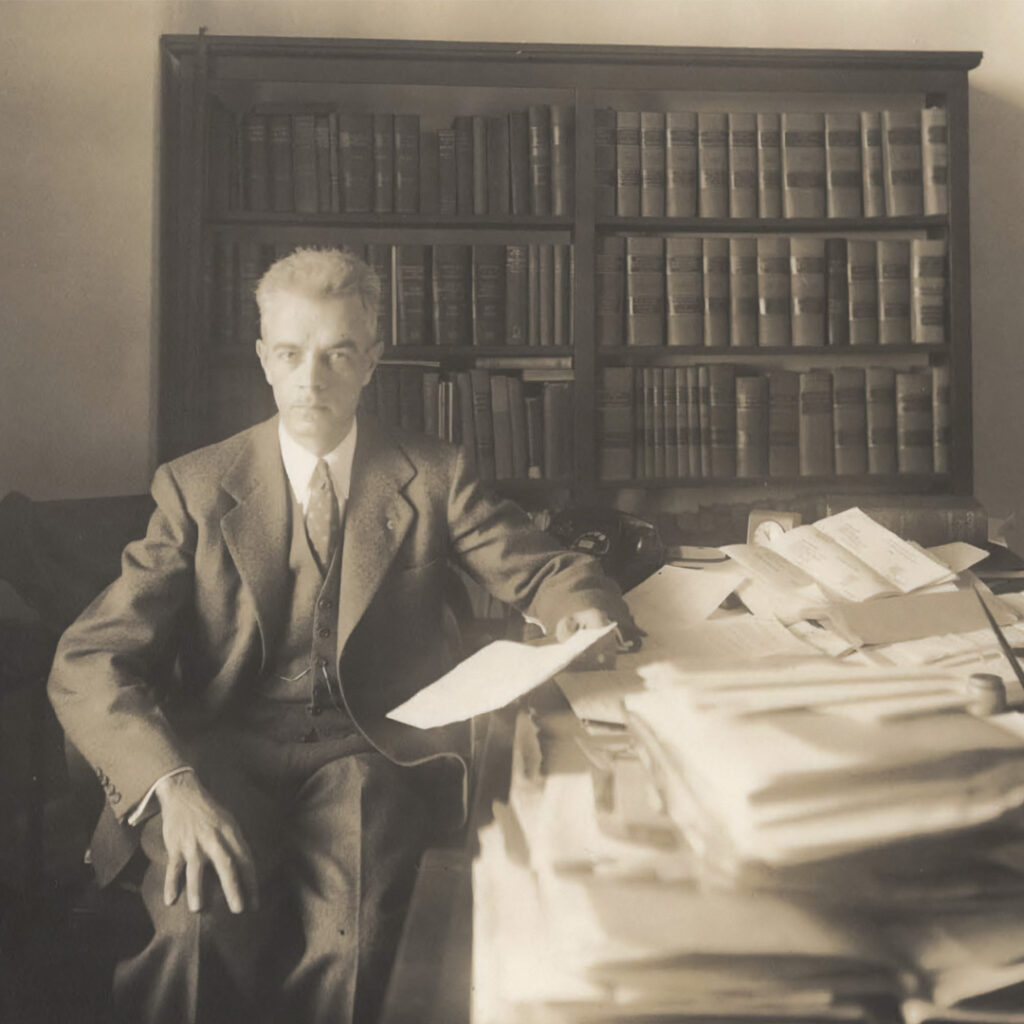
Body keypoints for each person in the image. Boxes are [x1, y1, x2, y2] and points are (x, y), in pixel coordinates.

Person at [48, 247, 632, 1023]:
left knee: (354, 945)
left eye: (337, 355)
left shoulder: (432, 475)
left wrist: (578, 611)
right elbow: (91, 657)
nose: (311, 380)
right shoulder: (194, 487)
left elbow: (547, 573)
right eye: (291, 354)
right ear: (263, 359)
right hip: (222, 752)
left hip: (368, 753)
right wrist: (172, 788)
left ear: (372, 362)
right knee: (194, 934)